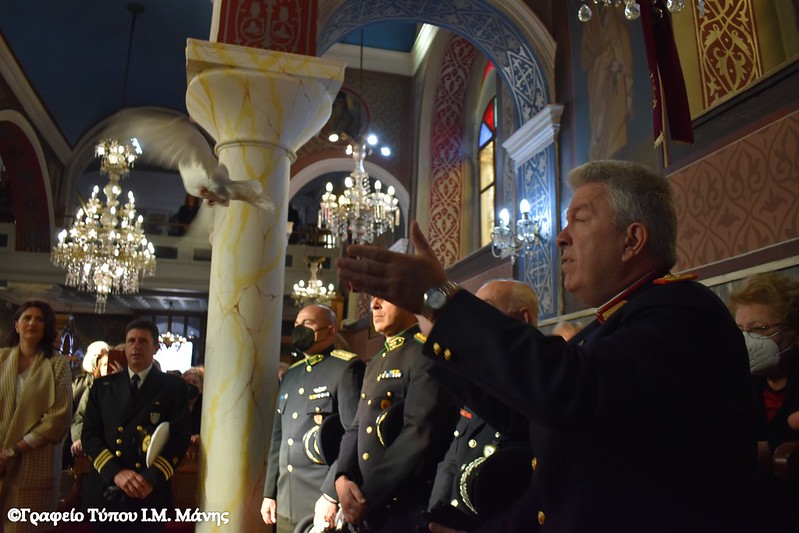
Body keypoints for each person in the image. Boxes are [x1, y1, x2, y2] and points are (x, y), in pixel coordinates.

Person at [336, 160, 761, 533]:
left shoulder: (683, 314)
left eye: (580, 219)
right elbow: (534, 425)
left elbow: (570, 391)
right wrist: (433, 318)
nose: (560, 237)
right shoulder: (613, 324)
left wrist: (444, 301)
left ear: (632, 240)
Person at [330, 296, 458, 532]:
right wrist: (342, 478)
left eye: (384, 297)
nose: (374, 305)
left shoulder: (425, 353)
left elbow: (419, 433)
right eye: (372, 297)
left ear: (408, 299)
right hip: (367, 510)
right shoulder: (377, 360)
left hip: (402, 510)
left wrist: (367, 497)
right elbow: (356, 426)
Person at [428, 280, 537, 526]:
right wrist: (435, 516)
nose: (473, 321)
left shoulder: (535, 384)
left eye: (484, 309)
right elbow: (453, 459)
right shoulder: (480, 379)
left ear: (523, 319)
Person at [261, 304, 365, 533]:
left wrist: (331, 494)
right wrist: (270, 493)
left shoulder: (346, 368)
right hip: (286, 500)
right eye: (297, 324)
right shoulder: (291, 374)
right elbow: (278, 439)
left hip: (320, 502)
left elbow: (353, 435)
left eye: (308, 324)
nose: (300, 329)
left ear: (331, 331)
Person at [81, 319, 191, 532]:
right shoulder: (103, 387)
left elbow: (179, 438)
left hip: (149, 491)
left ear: (156, 347)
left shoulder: (172, 387)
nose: (136, 346)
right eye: (131, 341)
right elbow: (90, 436)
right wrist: (116, 472)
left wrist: (151, 478)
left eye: (143, 341)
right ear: (125, 346)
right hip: (108, 488)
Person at [728, 271, 799, 531]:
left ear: (794, 331)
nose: (748, 340)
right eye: (740, 331)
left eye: (760, 329)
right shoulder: (739, 382)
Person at [0, 300, 72, 533]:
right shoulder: (1, 358)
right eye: (27, 318)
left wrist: (13, 450)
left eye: (39, 319)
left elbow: (58, 418)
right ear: (16, 325)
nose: (32, 323)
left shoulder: (57, 364)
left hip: (35, 459)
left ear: (46, 327)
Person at [71, 345, 124, 457]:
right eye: (104, 364)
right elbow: (79, 417)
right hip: (95, 447)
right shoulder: (93, 389)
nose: (108, 367)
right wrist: (79, 438)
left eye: (112, 363)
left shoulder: (129, 388)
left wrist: (121, 380)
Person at [182, 366, 204, 445]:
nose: (190, 385)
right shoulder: (177, 406)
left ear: (202, 387)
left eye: (195, 382)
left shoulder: (205, 408)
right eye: (187, 382)